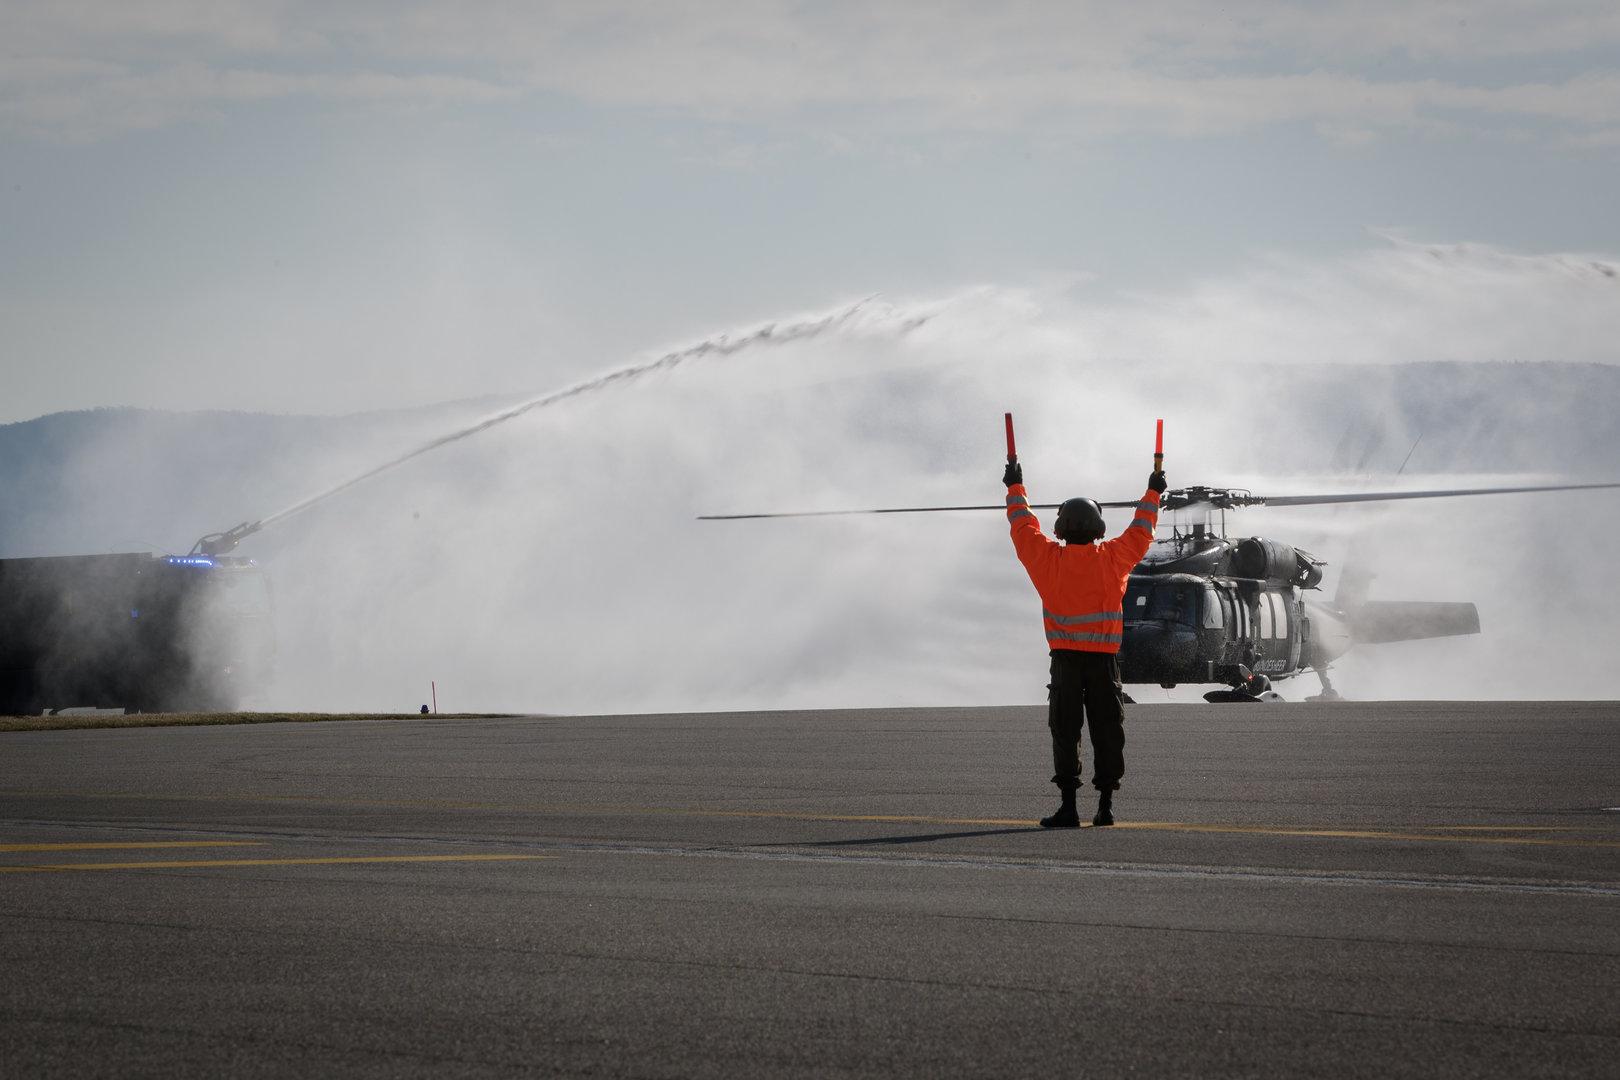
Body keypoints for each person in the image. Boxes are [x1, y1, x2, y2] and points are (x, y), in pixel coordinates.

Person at [1005, 459, 1165, 827]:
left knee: (1066, 730)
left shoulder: (1047, 560)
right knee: (1107, 730)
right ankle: (1105, 806)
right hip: (1103, 663)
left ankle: (1068, 806)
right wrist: (1154, 490)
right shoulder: (1113, 559)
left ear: (1060, 528)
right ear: (1098, 527)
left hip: (1065, 662)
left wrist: (1015, 486)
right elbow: (1142, 530)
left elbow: (1022, 526)